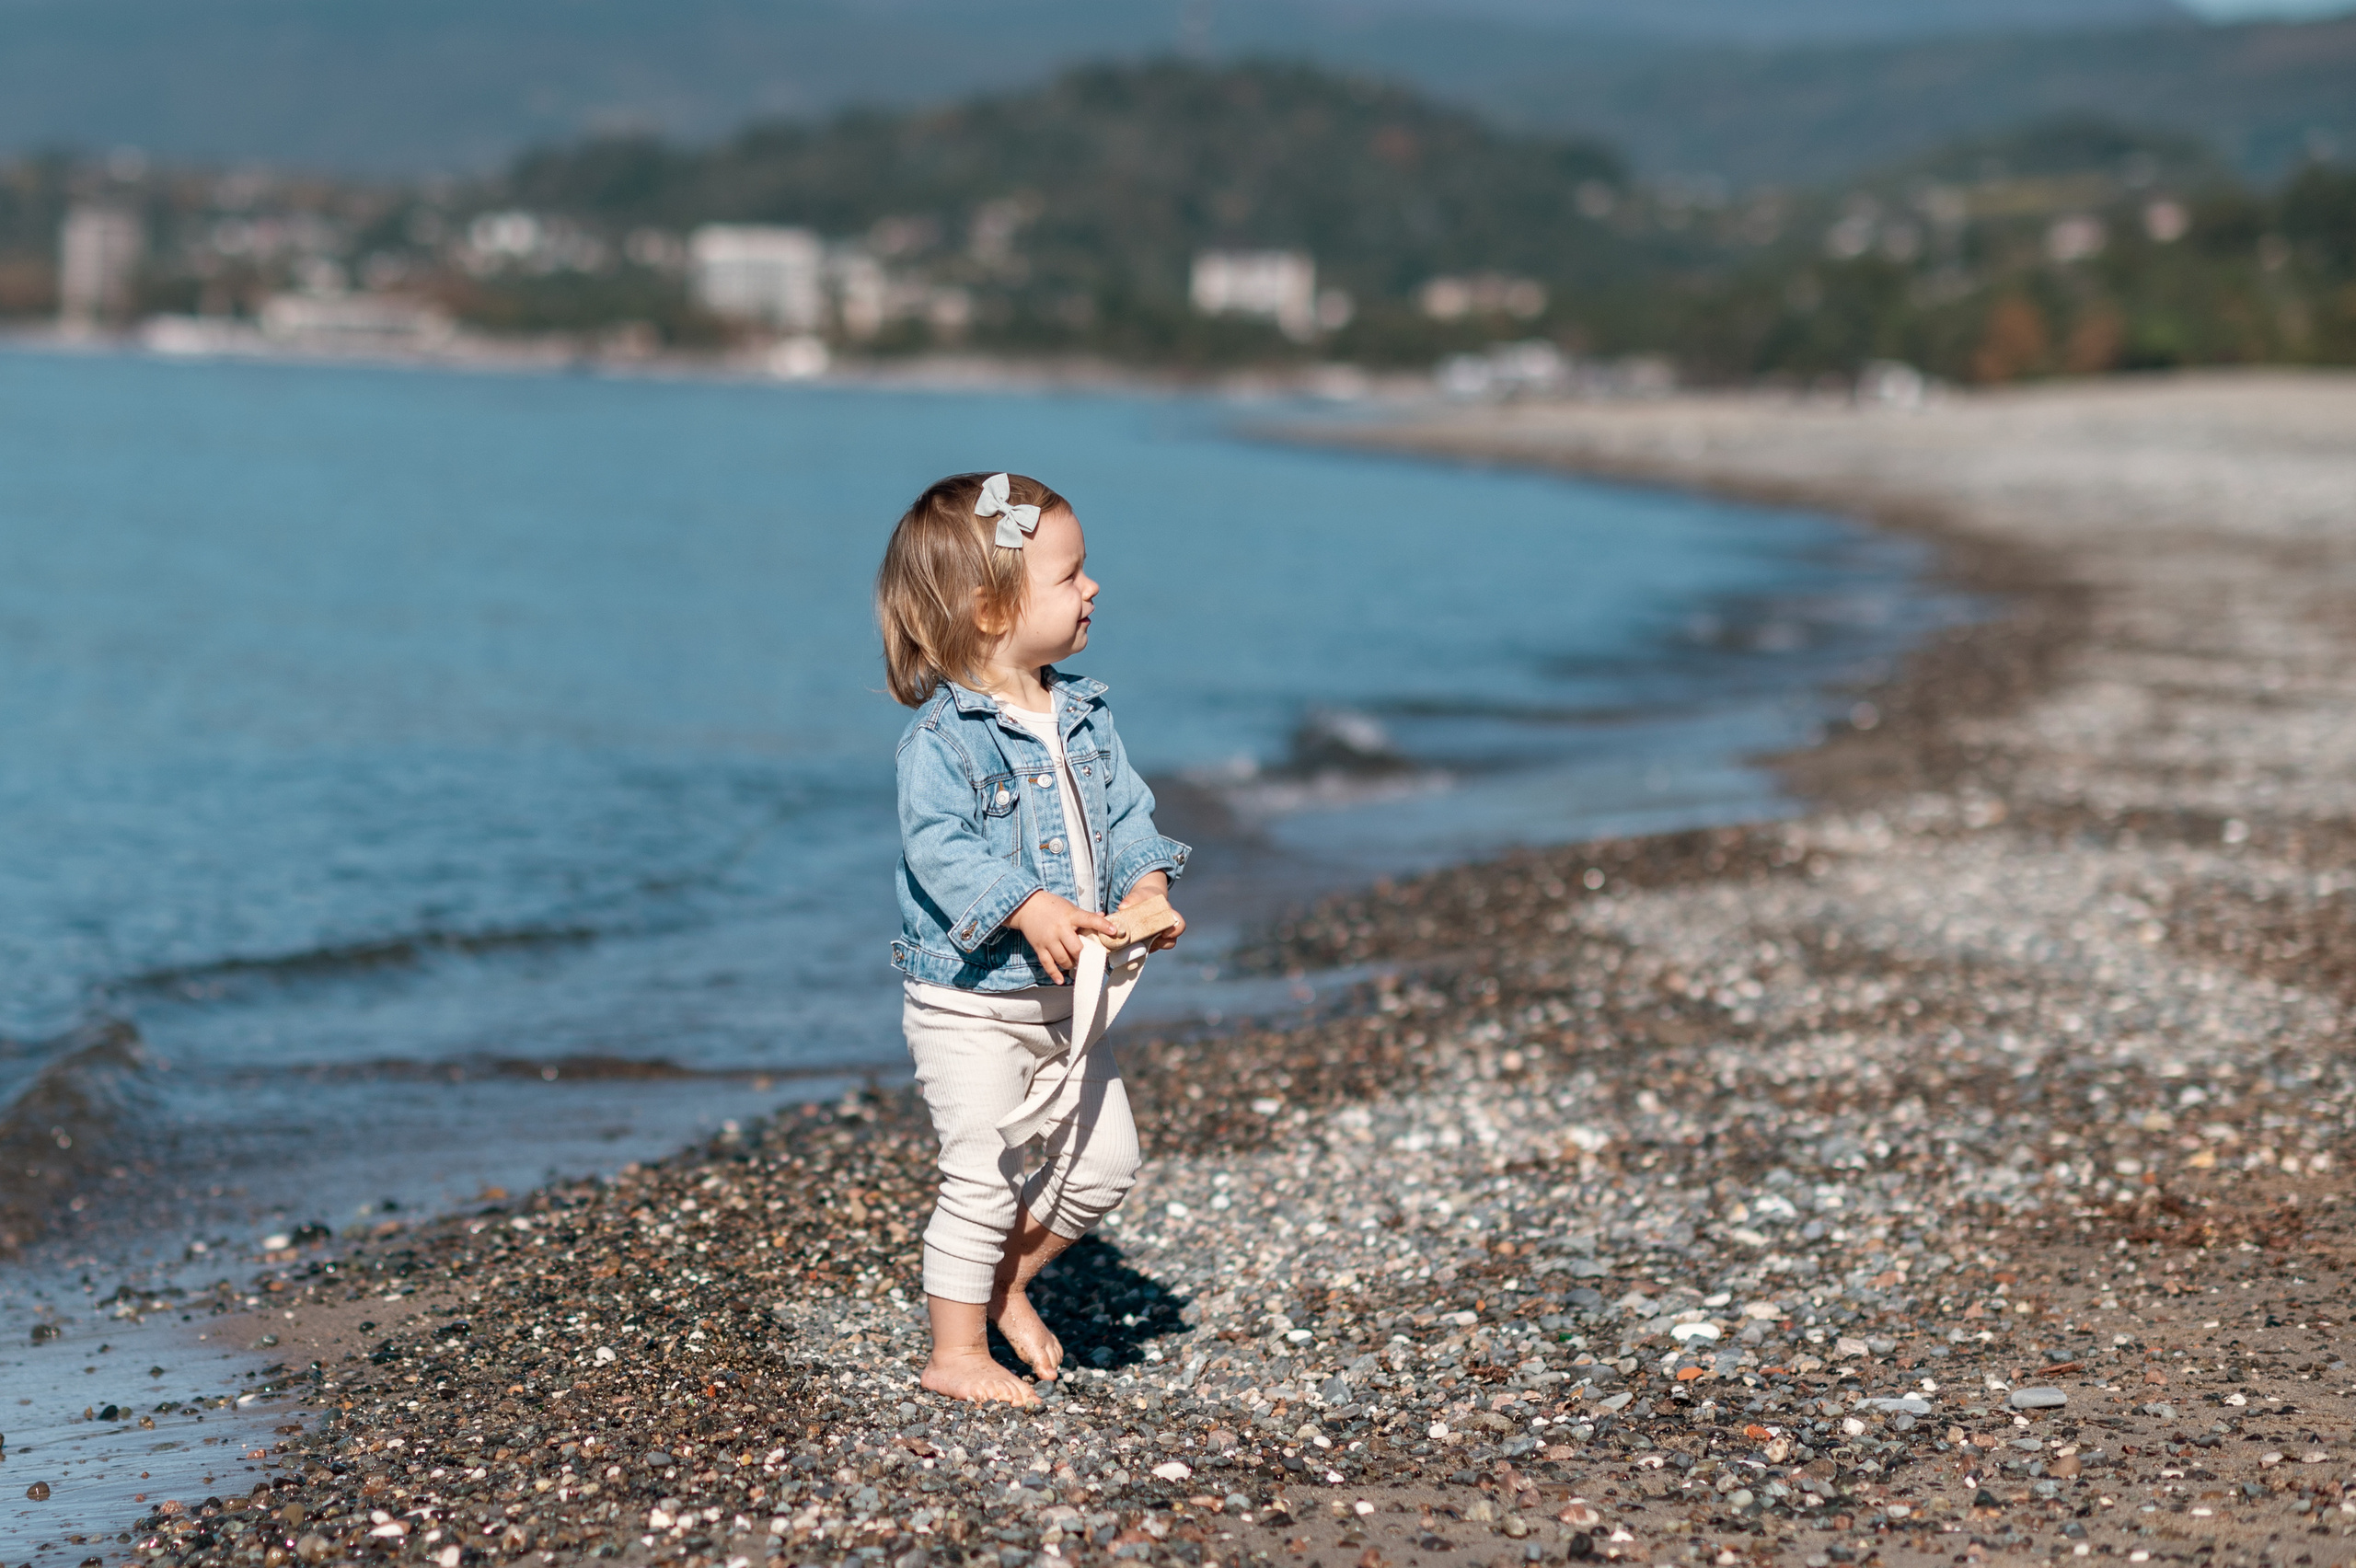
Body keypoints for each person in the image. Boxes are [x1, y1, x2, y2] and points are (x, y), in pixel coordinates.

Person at [875, 471, 1190, 1406]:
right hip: (969, 1002)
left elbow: (1127, 817)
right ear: (988, 608)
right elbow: (938, 846)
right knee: (979, 1171)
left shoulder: (1084, 714)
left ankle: (1004, 1281)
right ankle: (956, 1353)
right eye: (1070, 576)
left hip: (1071, 1002)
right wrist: (1027, 904)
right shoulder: (946, 741)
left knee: (1103, 1168)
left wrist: (1148, 884)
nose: (1092, 589)